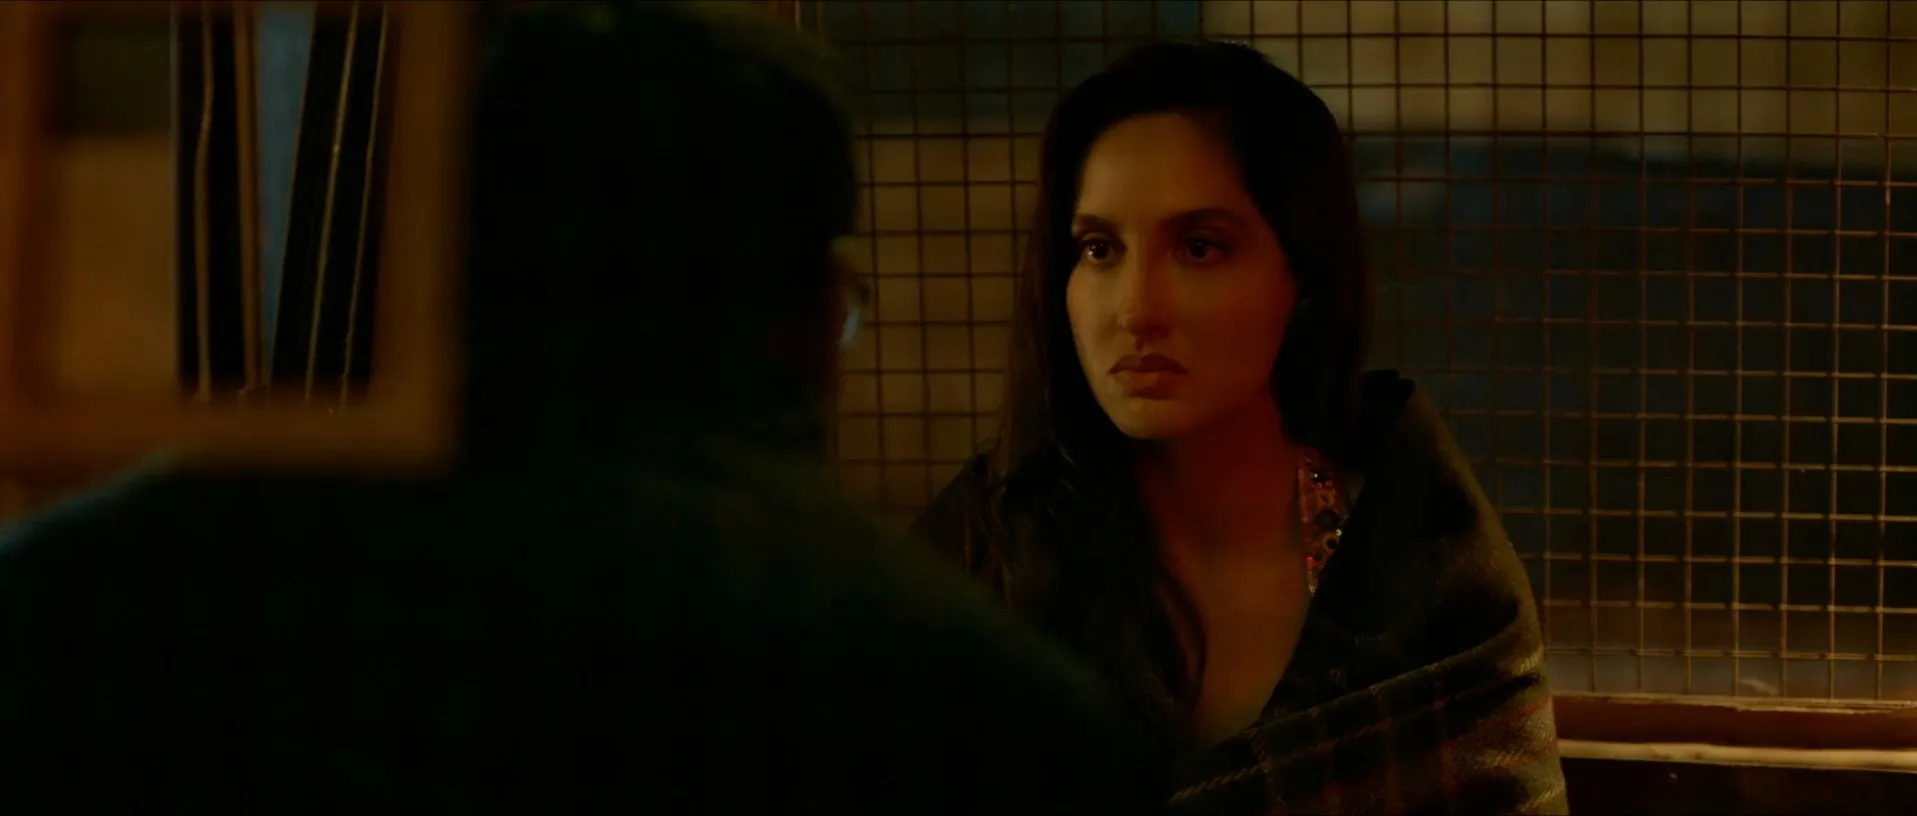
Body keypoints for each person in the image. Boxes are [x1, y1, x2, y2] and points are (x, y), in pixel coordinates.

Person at [0, 4, 1162, 813]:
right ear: (810, 319)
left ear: (436, 263)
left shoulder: (94, 607)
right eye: (1096, 248)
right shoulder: (981, 717)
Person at [909, 40, 1569, 814]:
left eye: (1198, 248)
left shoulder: (1426, 577)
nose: (1135, 308)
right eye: (1098, 248)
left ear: (1304, 275)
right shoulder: (980, 558)